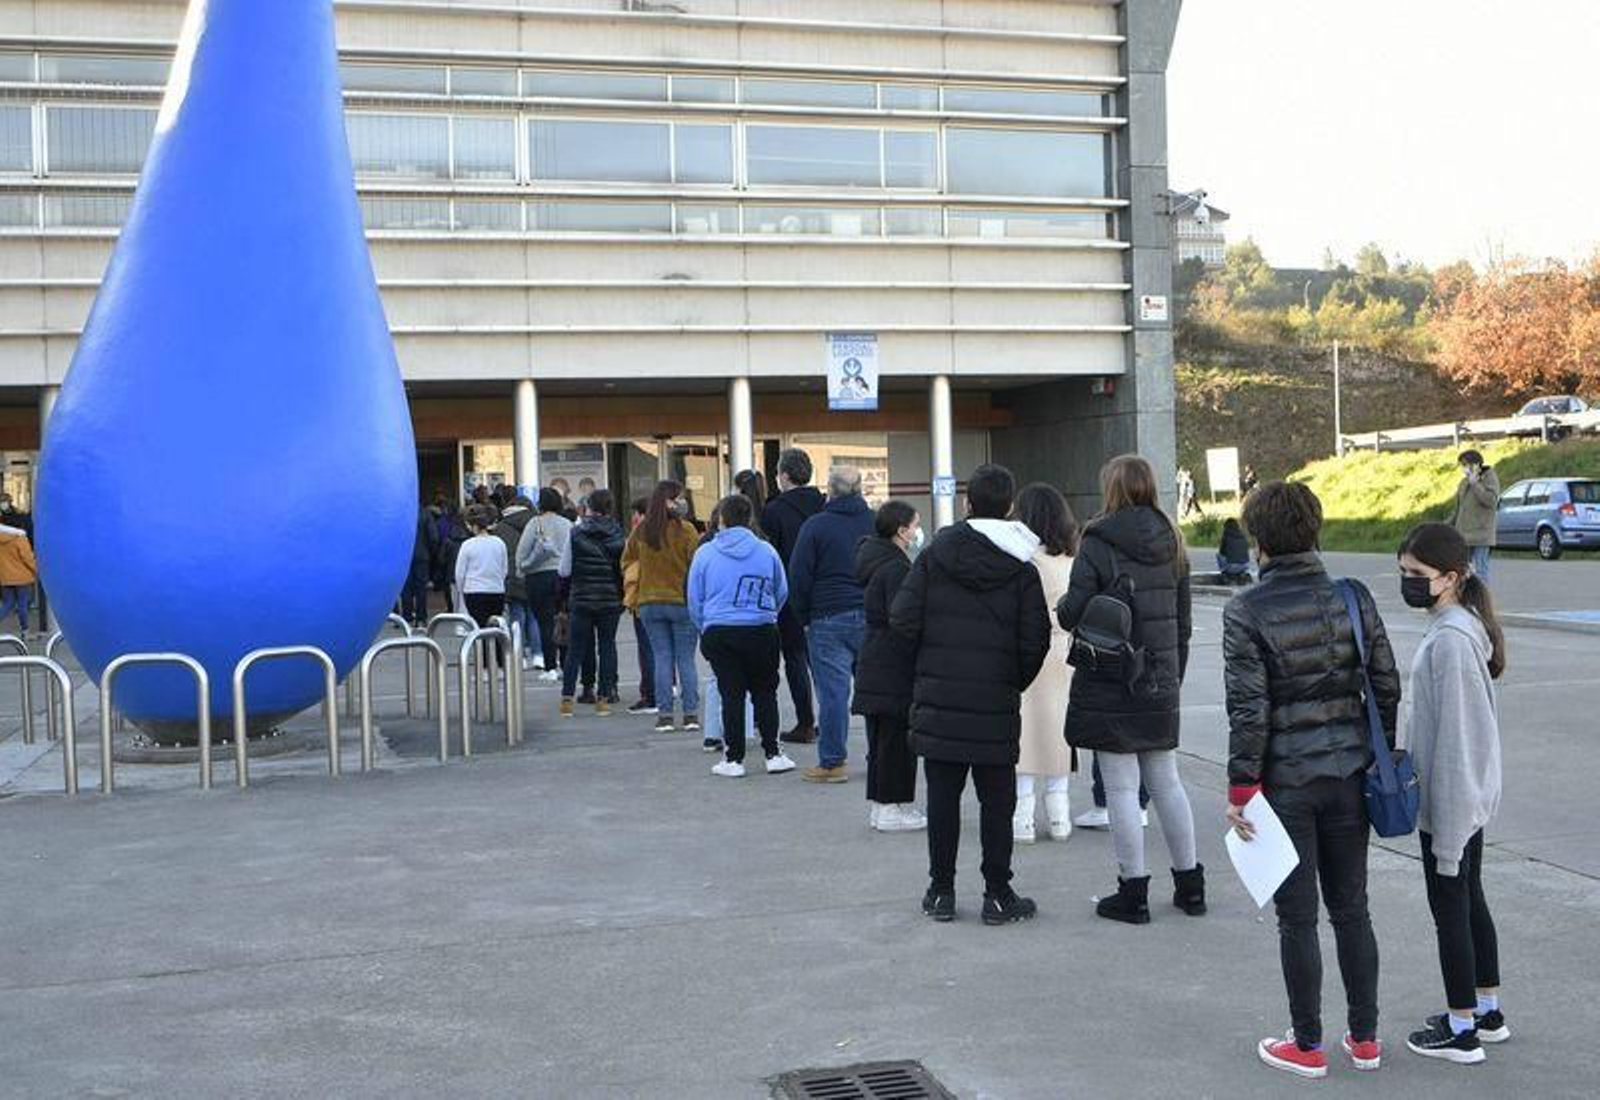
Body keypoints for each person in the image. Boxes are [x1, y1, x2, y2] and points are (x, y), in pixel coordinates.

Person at [1223, 480, 1398, 1080]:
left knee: (1297, 917)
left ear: (1258, 540)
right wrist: (1375, 753)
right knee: (1352, 909)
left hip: (1285, 783)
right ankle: (1367, 1038)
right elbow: (1385, 684)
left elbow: (1249, 710)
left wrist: (1241, 788)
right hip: (1351, 774)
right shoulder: (1352, 596)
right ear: (1315, 530)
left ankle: (1307, 1043)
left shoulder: (1246, 610)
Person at [890, 463, 1050, 924]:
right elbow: (1035, 637)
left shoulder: (934, 556)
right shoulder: (1022, 566)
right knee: (998, 801)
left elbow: (902, 620)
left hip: (939, 701)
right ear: (1010, 507)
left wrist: (928, 666)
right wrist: (1012, 678)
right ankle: (997, 893)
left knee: (943, 799)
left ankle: (941, 891)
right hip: (995, 700)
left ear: (968, 503)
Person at [1058, 454, 1203, 925]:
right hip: (1160, 677)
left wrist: (1065, 601)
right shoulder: (1173, 539)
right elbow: (1182, 622)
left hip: (1111, 677)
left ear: (1112, 488)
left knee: (1122, 788)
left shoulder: (1097, 541)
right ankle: (1190, 886)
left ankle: (1133, 892)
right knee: (1167, 783)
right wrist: (1172, 676)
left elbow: (1072, 612)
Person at [1396, 523, 1507, 1065]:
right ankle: (1487, 1010)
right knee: (1470, 900)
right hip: (1460, 802)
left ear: (1451, 577)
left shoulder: (1451, 642)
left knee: (1452, 910)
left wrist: (1448, 834)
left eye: (1417, 575)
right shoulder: (1455, 628)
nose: (1409, 583)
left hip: (1451, 806)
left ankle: (1462, 1030)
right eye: (1403, 573)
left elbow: (1459, 742)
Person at [688, 494, 796, 777]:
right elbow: (781, 590)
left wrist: (705, 625)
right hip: (761, 628)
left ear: (721, 519)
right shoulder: (766, 551)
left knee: (730, 694)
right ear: (749, 518)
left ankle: (733, 759)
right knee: (765, 692)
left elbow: (694, 598)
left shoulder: (706, 553)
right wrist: (768, 613)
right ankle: (773, 753)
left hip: (720, 630)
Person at [788, 466, 876, 782]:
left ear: (831, 490)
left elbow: (798, 576)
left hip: (827, 616)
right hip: (870, 615)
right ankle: (878, 757)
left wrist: (804, 616)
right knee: (873, 691)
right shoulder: (875, 522)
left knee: (833, 693)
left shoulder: (816, 526)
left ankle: (833, 762)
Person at [852, 500, 926, 833]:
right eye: (914, 524)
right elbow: (904, 617)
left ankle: (882, 806)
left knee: (882, 739)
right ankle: (891, 807)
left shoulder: (876, 559)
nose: (917, 531)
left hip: (875, 659)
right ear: (901, 530)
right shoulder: (897, 568)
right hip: (893, 663)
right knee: (895, 739)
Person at [1013, 483, 1079, 844]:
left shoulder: (1023, 560)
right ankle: (1059, 817)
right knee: (1058, 735)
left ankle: (1022, 817)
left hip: (1027, 649)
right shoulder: (1073, 559)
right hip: (1064, 650)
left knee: (1024, 736)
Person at [622, 480, 701, 733]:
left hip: (649, 601)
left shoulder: (642, 530)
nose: (681, 502)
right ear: (669, 501)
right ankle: (690, 715)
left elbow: (627, 560)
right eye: (677, 498)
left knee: (661, 658)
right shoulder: (687, 530)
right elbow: (696, 565)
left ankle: (665, 716)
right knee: (686, 659)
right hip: (680, 601)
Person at [761, 448, 824, 745]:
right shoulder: (825, 505)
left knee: (795, 658)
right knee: (822, 660)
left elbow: (769, 555)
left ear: (784, 475)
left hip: (789, 593)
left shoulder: (774, 510)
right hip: (824, 592)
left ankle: (805, 722)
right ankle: (830, 717)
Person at [558, 489, 625, 718]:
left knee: (575, 649)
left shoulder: (575, 533)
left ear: (589, 507)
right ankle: (604, 699)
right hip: (609, 599)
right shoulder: (619, 534)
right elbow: (622, 569)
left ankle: (567, 699)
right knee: (607, 645)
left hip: (581, 598)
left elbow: (564, 569)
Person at [517, 488, 572, 682]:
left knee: (545, 622)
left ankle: (550, 667)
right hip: (563, 577)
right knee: (563, 620)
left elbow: (522, 552)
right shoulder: (568, 524)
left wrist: (523, 567)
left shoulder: (535, 523)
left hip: (538, 577)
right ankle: (566, 664)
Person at [454, 504, 508, 678]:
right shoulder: (499, 542)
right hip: (496, 589)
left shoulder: (468, 545)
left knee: (478, 629)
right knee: (495, 627)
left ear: (473, 526)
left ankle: (484, 668)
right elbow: (504, 568)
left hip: (474, 590)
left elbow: (459, 573)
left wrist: (461, 591)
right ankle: (499, 666)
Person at [492, 495, 540, 668]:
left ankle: (519, 655)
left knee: (516, 617)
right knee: (534, 617)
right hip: (534, 574)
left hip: (512, 577)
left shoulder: (501, 528)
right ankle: (538, 654)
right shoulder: (537, 523)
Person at [623, 496, 657, 715]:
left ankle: (651, 694)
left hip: (645, 596)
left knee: (648, 649)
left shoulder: (640, 533)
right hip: (674, 597)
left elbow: (627, 561)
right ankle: (676, 692)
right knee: (671, 651)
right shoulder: (681, 529)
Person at [1449, 450, 1500, 585]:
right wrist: (1446, 526)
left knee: (1481, 572)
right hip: (1464, 534)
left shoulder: (1489, 477)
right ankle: (1466, 601)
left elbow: (1491, 501)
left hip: (1481, 535)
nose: (1464, 468)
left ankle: (1483, 603)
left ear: (1476, 464)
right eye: (1462, 465)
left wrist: (1475, 484)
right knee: (1462, 571)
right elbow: (1459, 509)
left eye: (1466, 464)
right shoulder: (1463, 482)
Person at [402, 503, 439, 626]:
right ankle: (421, 617)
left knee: (406, 587)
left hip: (405, 556)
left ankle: (407, 616)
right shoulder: (425, 514)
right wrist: (430, 552)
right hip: (422, 555)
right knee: (421, 588)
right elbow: (433, 537)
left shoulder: (403, 514)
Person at [0, 518, 38, 634]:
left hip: (5, 577)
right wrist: (37, 570)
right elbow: (27, 558)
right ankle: (25, 630)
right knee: (23, 603)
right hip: (22, 577)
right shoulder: (20, 538)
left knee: (8, 603)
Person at [1217, 516, 1252, 585]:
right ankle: (1241, 574)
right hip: (1245, 565)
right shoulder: (1243, 535)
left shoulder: (1226, 535)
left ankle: (1226, 573)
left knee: (1218, 556)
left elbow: (1222, 552)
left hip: (1231, 567)